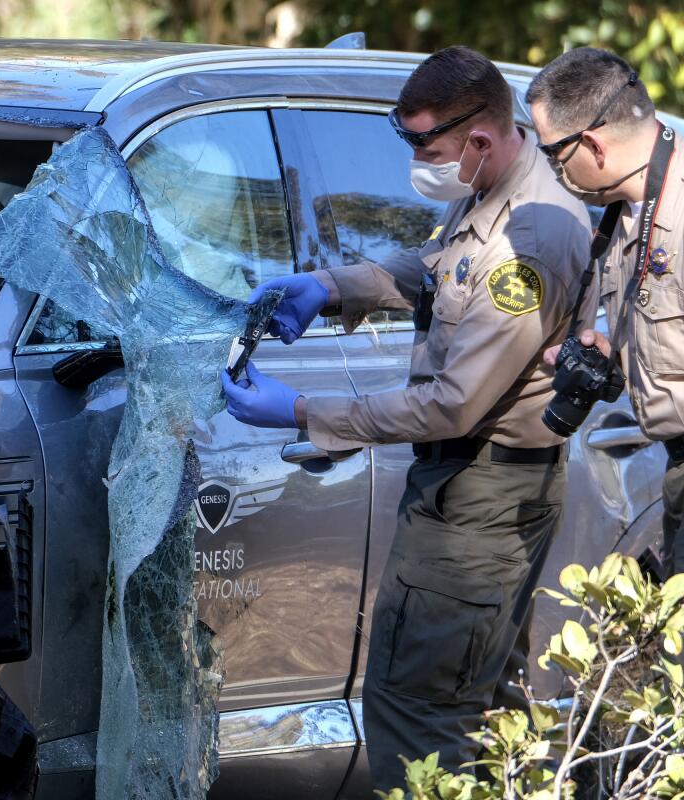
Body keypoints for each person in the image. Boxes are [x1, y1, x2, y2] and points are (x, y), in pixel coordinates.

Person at [219, 46, 592, 791]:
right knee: (478, 718)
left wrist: (299, 410)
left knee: (416, 718)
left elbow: (452, 401)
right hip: (470, 496)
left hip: (480, 504)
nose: (417, 161)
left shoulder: (535, 238)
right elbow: (436, 269)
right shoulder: (489, 190)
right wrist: (328, 286)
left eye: (426, 145)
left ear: (481, 139)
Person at [527, 47, 684, 719]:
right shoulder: (628, 208)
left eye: (552, 154)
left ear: (591, 143)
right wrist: (610, 359)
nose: (551, 171)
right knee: (681, 687)